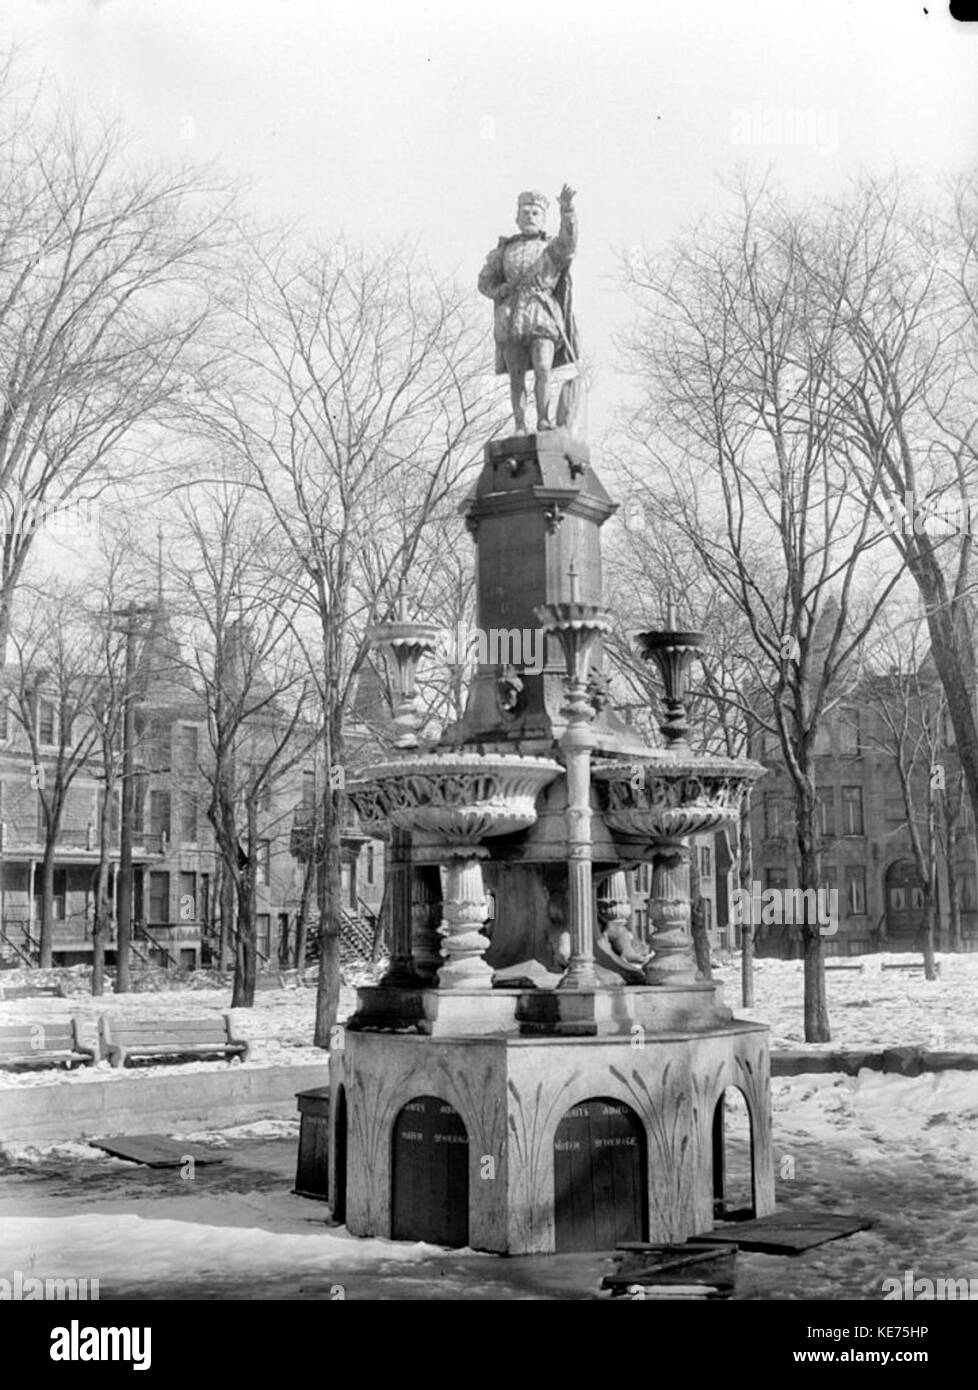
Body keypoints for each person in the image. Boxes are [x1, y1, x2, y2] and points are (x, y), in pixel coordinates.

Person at [478, 185, 579, 433]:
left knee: (544, 368)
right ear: (517, 218)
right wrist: (497, 291)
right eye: (526, 213)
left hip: (541, 315)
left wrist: (567, 210)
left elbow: (570, 241)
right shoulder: (504, 250)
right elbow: (484, 281)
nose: (530, 217)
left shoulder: (551, 247)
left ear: (543, 218)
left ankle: (544, 419)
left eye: (535, 213)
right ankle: (520, 425)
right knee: (517, 377)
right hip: (512, 319)